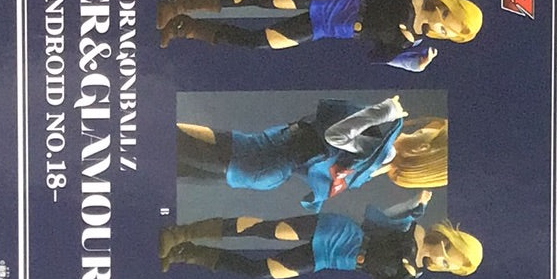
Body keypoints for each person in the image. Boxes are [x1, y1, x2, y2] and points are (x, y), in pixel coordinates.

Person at [157, 0, 481, 71]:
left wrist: (413, 64)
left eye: (449, 33)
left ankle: (185, 27)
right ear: (448, 7)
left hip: (329, 28)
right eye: (449, 20)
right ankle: (178, 4)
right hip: (337, 1)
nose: (443, 28)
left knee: (258, 42)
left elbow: (381, 56)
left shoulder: (412, 43)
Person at [159, 192, 482, 279]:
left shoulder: (412, 274)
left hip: (333, 259)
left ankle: (186, 253)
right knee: (268, 230)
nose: (441, 260)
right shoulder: (413, 229)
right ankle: (180, 233)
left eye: (447, 265)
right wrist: (415, 204)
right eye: (447, 253)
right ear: (446, 240)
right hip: (341, 233)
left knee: (261, 271)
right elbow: (384, 218)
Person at [176, 94, 447, 212]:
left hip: (260, 154)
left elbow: (335, 136)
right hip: (265, 171)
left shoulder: (381, 151)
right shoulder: (374, 168)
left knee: (168, 140)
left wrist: (384, 112)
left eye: (428, 132)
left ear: (423, 147)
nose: (423, 128)